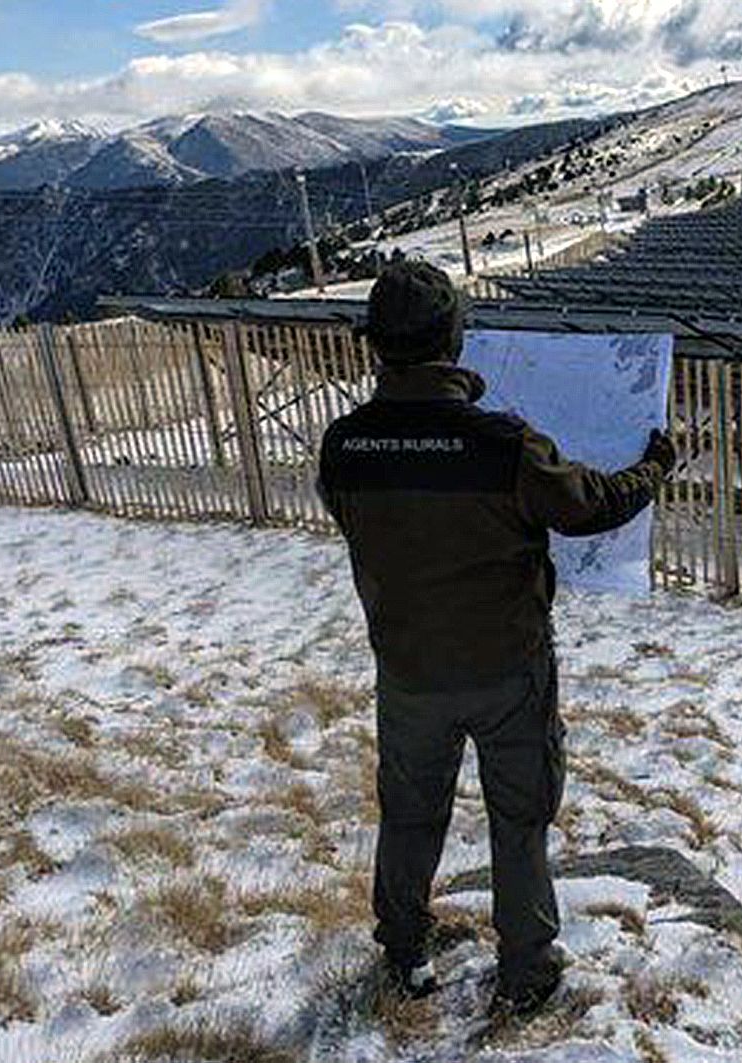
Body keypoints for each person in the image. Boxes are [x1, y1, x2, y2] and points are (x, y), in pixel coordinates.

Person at [317, 262, 677, 1017]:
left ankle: (404, 949)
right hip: (508, 668)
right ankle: (525, 970)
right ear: (455, 340)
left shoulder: (344, 446)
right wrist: (653, 467)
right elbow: (590, 506)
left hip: (408, 669)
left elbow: (354, 518)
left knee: (410, 814)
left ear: (375, 345)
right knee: (519, 819)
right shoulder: (503, 445)